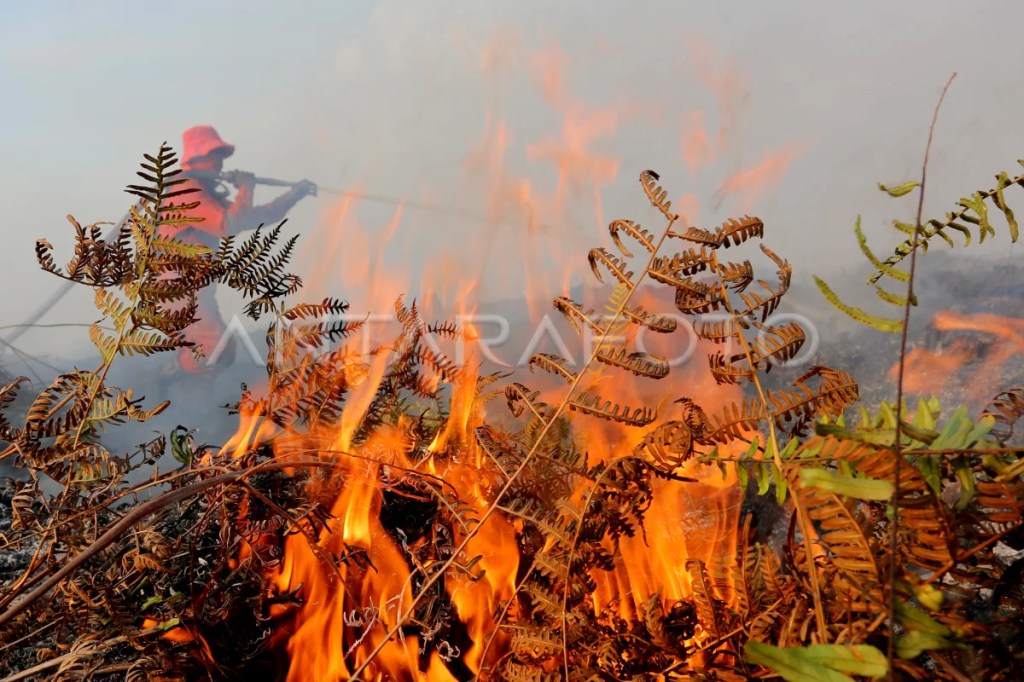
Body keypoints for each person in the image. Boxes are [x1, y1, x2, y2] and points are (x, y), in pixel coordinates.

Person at [165, 125, 317, 372]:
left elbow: (249, 217)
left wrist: (292, 196)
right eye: (216, 155)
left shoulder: (204, 193)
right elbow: (228, 224)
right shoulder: (185, 190)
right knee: (214, 348)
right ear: (198, 156)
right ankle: (168, 383)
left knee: (221, 349)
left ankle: (184, 390)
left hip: (196, 287)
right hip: (177, 286)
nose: (221, 163)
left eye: (221, 156)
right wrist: (246, 187)